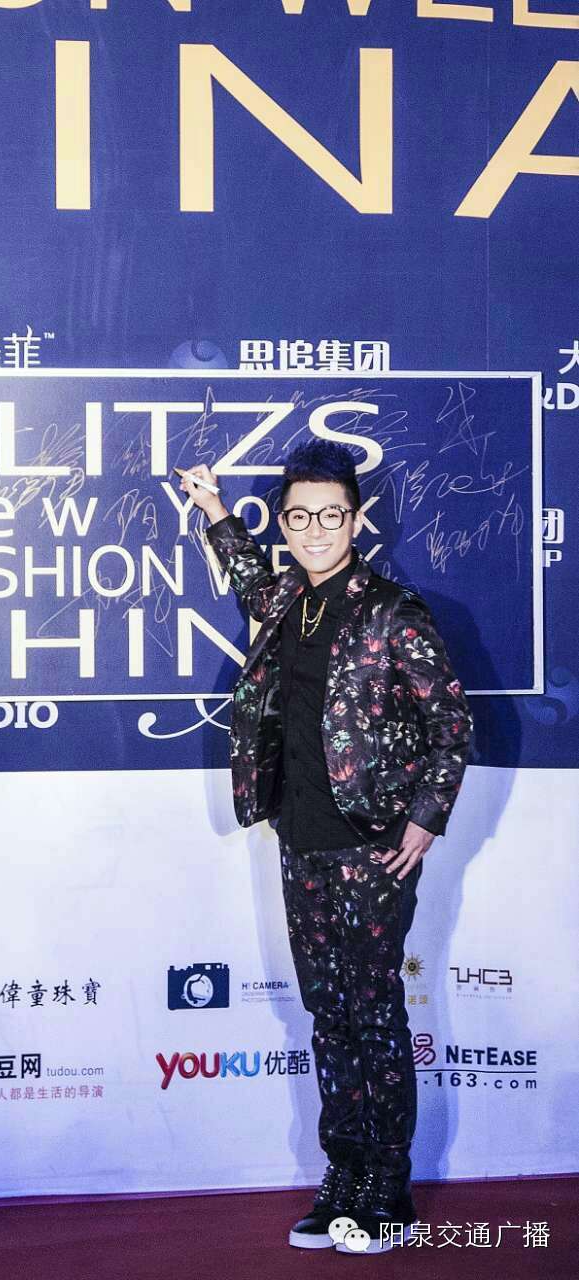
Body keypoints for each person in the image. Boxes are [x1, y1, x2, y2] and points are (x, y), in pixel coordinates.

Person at [179, 439, 472, 1256]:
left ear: (355, 520)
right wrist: (214, 509)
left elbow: (451, 725)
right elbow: (247, 576)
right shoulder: (284, 600)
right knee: (326, 1013)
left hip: (372, 846)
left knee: (371, 1012)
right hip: (299, 837)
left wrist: (423, 819)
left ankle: (387, 1188)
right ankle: (342, 1175)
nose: (315, 530)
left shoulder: (392, 611)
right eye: (300, 517)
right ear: (283, 522)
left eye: (330, 516)